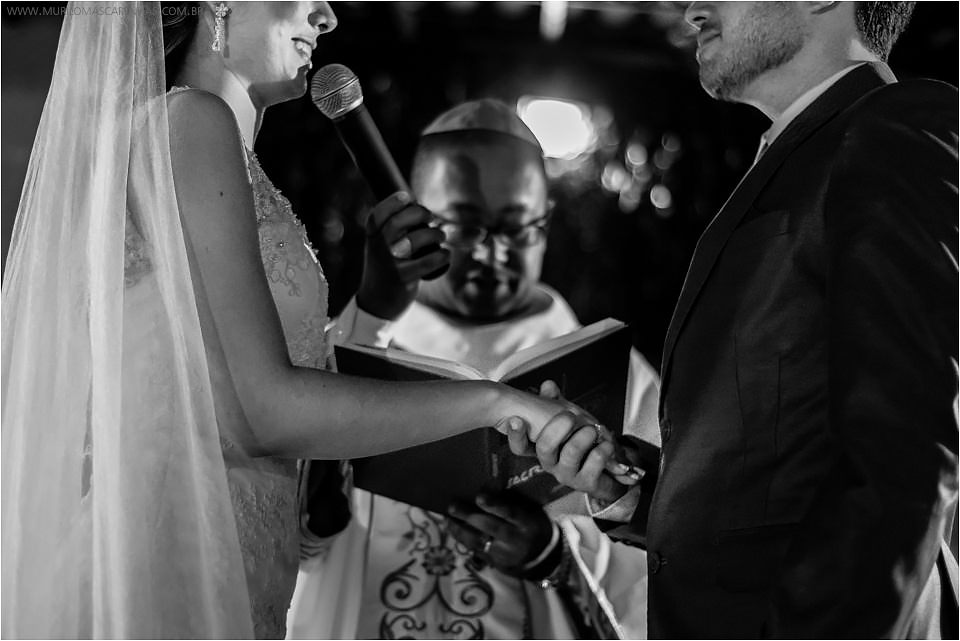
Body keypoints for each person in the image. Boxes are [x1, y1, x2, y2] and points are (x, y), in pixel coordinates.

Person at [0, 3, 586, 638]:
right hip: (171, 564)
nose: (327, 16)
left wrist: (378, 305)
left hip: (233, 556)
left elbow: (223, 387)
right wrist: (495, 403)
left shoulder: (204, 142)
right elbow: (264, 411)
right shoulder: (191, 120)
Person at [511, 2, 959, 638]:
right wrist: (637, 490)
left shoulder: (894, 127)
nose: (692, 9)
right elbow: (780, 470)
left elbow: (907, 450)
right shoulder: (798, 154)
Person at [286, 99, 659, 639]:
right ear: (415, 218)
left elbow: (669, 555)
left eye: (517, 228)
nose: (491, 252)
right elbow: (289, 528)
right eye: (462, 227)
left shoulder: (622, 378)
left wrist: (552, 556)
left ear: (546, 221)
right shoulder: (347, 356)